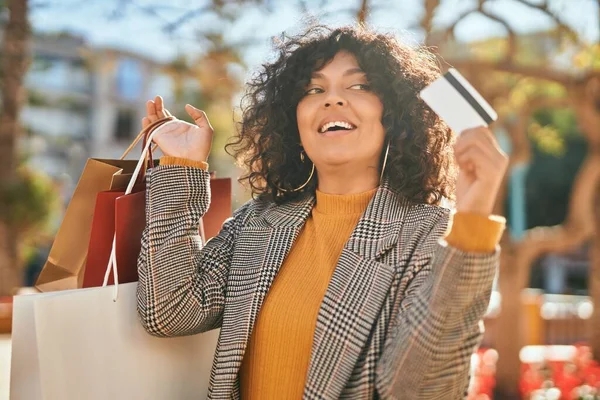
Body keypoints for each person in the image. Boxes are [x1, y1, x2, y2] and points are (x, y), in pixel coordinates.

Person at [136, 25, 508, 399]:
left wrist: (472, 225)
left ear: (394, 113)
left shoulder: (432, 233)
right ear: (293, 122)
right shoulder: (258, 221)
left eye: (359, 86)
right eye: (314, 90)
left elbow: (422, 390)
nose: (332, 100)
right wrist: (182, 164)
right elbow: (169, 310)